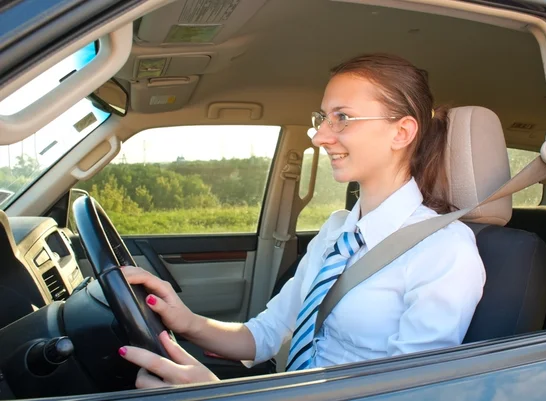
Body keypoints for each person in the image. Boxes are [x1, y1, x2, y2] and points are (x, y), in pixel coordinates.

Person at [117, 53, 486, 388]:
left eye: (342, 118)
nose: (320, 136)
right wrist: (186, 321)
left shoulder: (444, 250)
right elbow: (264, 334)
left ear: (401, 132)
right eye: (322, 118)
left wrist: (218, 397)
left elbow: (407, 394)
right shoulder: (337, 231)